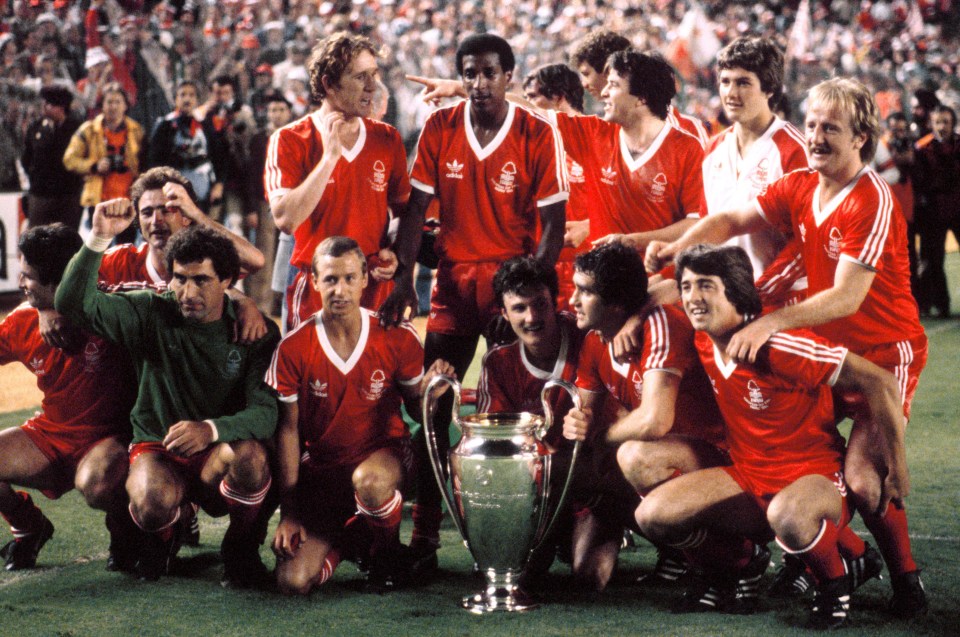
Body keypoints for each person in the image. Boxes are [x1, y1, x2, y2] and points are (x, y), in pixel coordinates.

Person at [649, 78, 928, 618]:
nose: (817, 136)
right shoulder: (801, 183)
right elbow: (730, 218)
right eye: (813, 124)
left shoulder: (872, 199)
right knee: (810, 459)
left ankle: (904, 578)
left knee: (868, 479)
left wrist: (771, 321)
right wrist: (680, 247)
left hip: (883, 354)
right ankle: (829, 554)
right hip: (828, 344)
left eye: (832, 128)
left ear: (861, 137)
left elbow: (848, 296)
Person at [636, 244, 903, 629]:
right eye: (687, 286)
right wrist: (632, 320)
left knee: (787, 514)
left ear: (736, 289)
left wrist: (898, 468)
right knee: (653, 515)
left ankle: (835, 582)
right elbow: (656, 295)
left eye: (706, 285)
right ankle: (734, 570)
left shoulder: (779, 344)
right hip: (750, 477)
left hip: (816, 479)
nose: (693, 297)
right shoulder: (703, 338)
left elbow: (880, 381)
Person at [379, 33, 568, 570]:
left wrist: (529, 293)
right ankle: (425, 539)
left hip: (510, 284)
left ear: (509, 76)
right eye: (469, 73)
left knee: (523, 410)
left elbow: (552, 225)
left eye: (489, 72)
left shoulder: (536, 131)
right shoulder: (440, 127)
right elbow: (414, 212)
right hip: (453, 286)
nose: (478, 83)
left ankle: (525, 527)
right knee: (434, 402)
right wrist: (402, 282)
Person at [55, 204, 280, 587]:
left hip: (215, 452)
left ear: (227, 280)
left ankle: (241, 549)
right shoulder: (151, 309)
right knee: (149, 502)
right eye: (179, 279)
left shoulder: (255, 332)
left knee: (253, 459)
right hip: (159, 447)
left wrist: (210, 430)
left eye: (201, 281)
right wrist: (97, 238)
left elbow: (266, 413)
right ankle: (163, 535)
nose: (187, 292)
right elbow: (73, 305)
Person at [267, 236, 442, 594]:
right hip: (325, 474)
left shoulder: (396, 334)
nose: (340, 290)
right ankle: (354, 538)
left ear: (366, 279)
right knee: (293, 581)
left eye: (349, 278)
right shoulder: (293, 347)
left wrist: (431, 396)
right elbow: (287, 432)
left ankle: (387, 552)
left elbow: (415, 408)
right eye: (330, 279)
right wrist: (290, 512)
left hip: (384, 459)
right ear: (314, 282)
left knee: (371, 482)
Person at [561, 242, 727, 591]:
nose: (573, 299)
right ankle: (675, 549)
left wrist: (598, 435)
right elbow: (585, 413)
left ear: (617, 303)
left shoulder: (662, 325)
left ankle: (729, 558)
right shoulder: (595, 340)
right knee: (567, 471)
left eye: (585, 291)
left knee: (634, 455)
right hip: (670, 459)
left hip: (718, 457)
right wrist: (577, 422)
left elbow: (655, 420)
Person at [0, 224, 133, 572]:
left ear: (56, 280)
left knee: (97, 483)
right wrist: (45, 308)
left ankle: (128, 530)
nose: (21, 283)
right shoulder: (22, 322)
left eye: (28, 276)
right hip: (51, 438)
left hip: (110, 443)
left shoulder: (113, 309)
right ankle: (29, 527)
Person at [266, 33, 409, 330]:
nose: (372, 86)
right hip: (316, 288)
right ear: (329, 83)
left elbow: (404, 212)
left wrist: (394, 249)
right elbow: (286, 218)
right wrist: (330, 157)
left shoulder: (387, 138)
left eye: (374, 75)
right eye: (360, 77)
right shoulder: (290, 139)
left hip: (371, 284)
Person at [701, 37, 808, 302]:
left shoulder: (794, 150)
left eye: (743, 83)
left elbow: (807, 241)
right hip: (726, 302)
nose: (731, 93)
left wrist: (761, 290)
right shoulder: (712, 150)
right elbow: (708, 228)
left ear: (769, 88)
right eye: (725, 82)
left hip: (784, 299)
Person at [63, 82, 144, 245]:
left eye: (117, 102)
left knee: (125, 251)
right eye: (109, 102)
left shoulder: (136, 130)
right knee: (97, 250)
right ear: (102, 105)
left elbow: (144, 163)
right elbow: (69, 159)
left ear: (125, 105)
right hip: (98, 201)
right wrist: (94, 166)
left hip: (127, 201)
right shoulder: (89, 129)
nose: (113, 106)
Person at [147, 80, 228, 212]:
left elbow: (219, 157)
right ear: (175, 99)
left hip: (203, 193)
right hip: (173, 194)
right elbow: (154, 161)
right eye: (182, 95)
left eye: (191, 95)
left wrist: (219, 184)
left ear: (196, 99)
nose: (187, 99)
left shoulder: (205, 125)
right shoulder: (165, 125)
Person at [913, 104, 960, 318]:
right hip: (934, 213)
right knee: (935, 261)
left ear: (953, 124)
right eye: (938, 122)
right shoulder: (922, 148)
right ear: (931, 124)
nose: (942, 126)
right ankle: (942, 306)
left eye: (946, 122)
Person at [22, 85, 83, 229]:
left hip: (68, 195)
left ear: (61, 107)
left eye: (49, 104)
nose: (44, 107)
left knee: (67, 238)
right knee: (36, 236)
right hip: (40, 194)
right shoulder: (35, 127)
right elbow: (27, 158)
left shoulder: (77, 129)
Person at [873, 112, 918, 299]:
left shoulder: (913, 145)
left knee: (910, 257)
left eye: (901, 129)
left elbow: (898, 171)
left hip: (906, 208)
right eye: (894, 129)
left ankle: (917, 299)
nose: (898, 133)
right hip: (885, 209)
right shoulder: (880, 144)